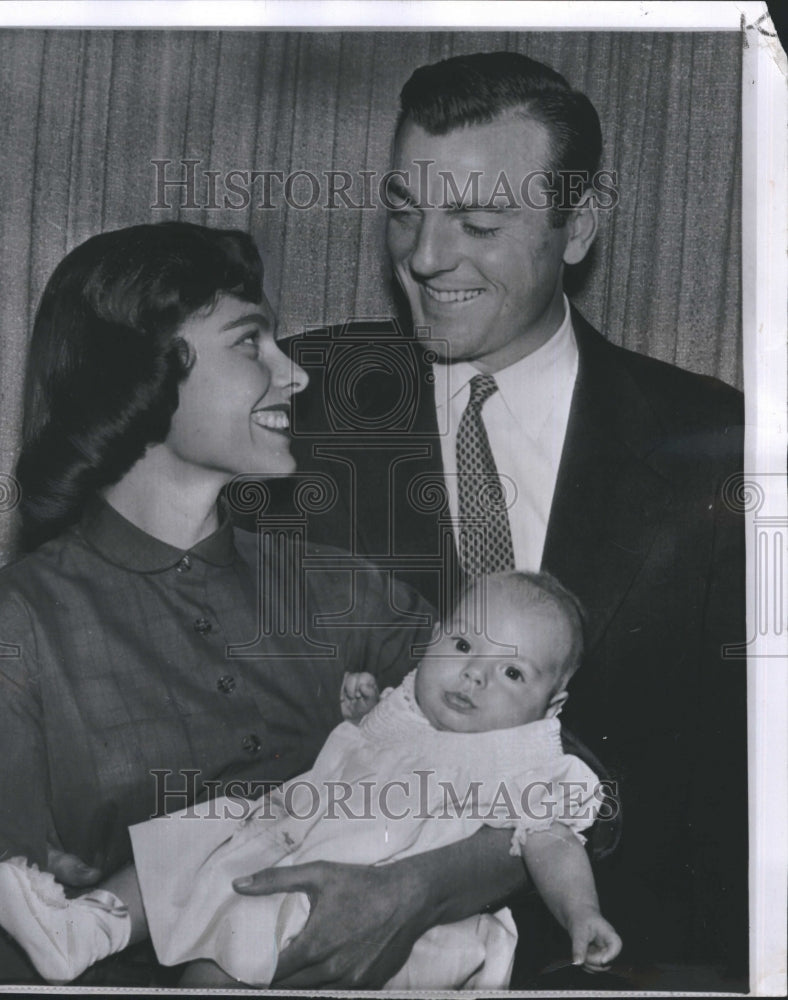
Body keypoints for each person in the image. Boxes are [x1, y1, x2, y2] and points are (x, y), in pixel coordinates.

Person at [269, 51, 747, 988]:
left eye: (478, 222)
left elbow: (738, 793)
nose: (424, 256)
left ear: (580, 228)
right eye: (405, 209)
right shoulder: (289, 403)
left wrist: (443, 881)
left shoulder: (720, 445)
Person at [0, 221, 443, 985]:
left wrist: (414, 889)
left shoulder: (350, 592)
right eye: (251, 343)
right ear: (144, 374)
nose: (294, 374)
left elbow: (545, 767)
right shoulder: (7, 629)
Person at [0, 571, 623, 988]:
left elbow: (554, 841)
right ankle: (87, 928)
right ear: (432, 642)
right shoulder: (405, 709)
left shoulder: (525, 761)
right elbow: (354, 759)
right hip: (279, 851)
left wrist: (582, 912)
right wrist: (358, 713)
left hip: (376, 920)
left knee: (223, 964)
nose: (476, 676)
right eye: (462, 648)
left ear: (553, 706)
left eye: (513, 674)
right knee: (197, 837)